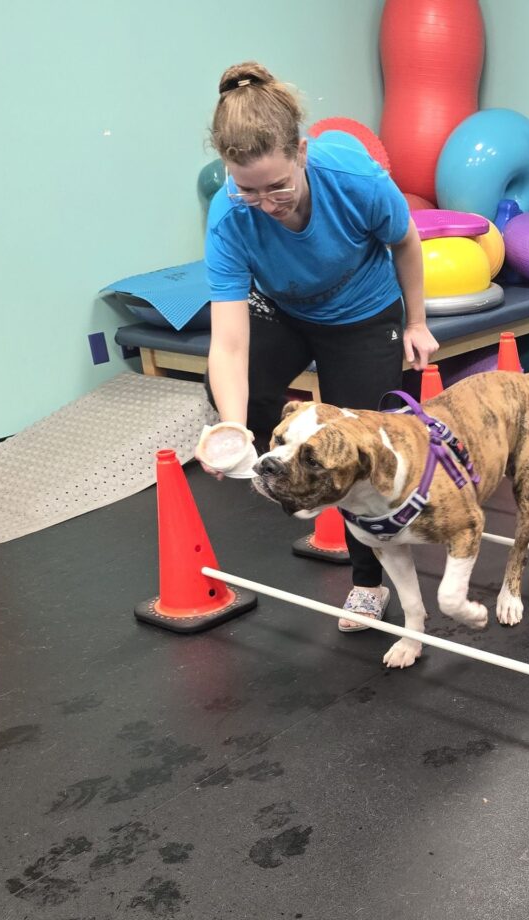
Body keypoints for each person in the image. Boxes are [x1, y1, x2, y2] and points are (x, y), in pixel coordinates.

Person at [201, 61, 438, 630]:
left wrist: (416, 322)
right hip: (284, 308)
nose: (267, 202)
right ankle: (295, 486)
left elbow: (405, 243)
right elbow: (228, 343)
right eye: (248, 189)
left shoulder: (354, 179)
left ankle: (366, 582)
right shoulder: (229, 216)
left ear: (302, 152)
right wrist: (232, 426)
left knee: (358, 447)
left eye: (278, 185)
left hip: (362, 312)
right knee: (237, 395)